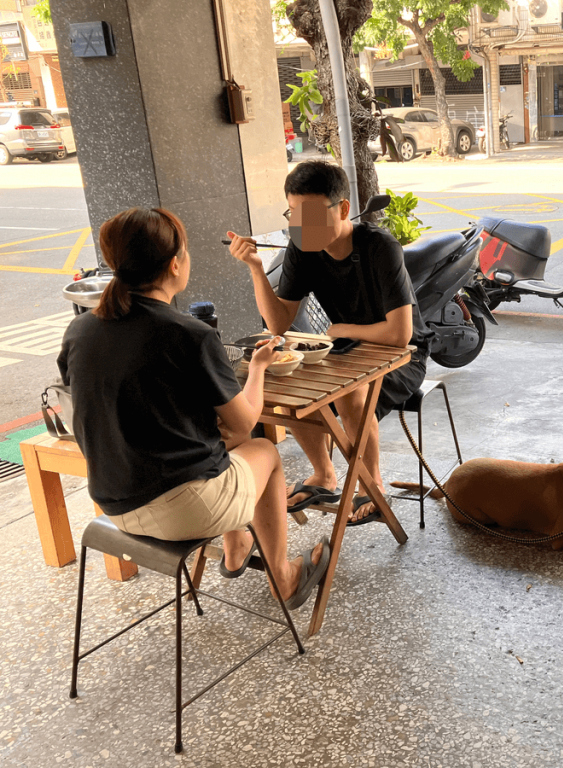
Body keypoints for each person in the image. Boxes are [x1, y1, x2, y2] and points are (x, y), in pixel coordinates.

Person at [58, 207, 329, 610]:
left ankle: (237, 544)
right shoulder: (189, 334)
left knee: (225, 446)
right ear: (174, 264)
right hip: (181, 510)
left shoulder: (80, 330)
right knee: (264, 451)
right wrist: (257, 368)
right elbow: (245, 421)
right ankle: (284, 578)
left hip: (115, 504)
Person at [227, 160, 428, 524]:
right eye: (295, 213)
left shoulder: (379, 246)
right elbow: (279, 322)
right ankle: (324, 473)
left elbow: (401, 334)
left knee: (352, 392)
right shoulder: (302, 248)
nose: (302, 225)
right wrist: (256, 268)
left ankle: (372, 484)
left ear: (343, 209)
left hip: (403, 357)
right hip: (349, 351)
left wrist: (344, 329)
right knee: (291, 379)